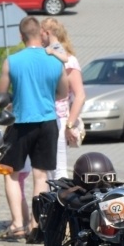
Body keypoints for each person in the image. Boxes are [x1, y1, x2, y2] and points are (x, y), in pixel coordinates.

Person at [0, 15, 68, 241]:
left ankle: (17, 224)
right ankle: (36, 226)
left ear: (21, 36)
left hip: (20, 123)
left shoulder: (12, 61)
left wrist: (13, 99)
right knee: (41, 175)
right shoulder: (55, 61)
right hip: (47, 122)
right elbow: (63, 93)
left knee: (10, 173)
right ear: (40, 34)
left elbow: (1, 96)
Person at [41, 17, 86, 181]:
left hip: (59, 119)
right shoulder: (45, 56)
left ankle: (60, 197)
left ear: (48, 33)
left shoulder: (69, 61)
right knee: (45, 171)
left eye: (41, 33)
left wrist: (69, 125)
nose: (39, 37)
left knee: (58, 170)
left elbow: (80, 95)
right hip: (42, 117)